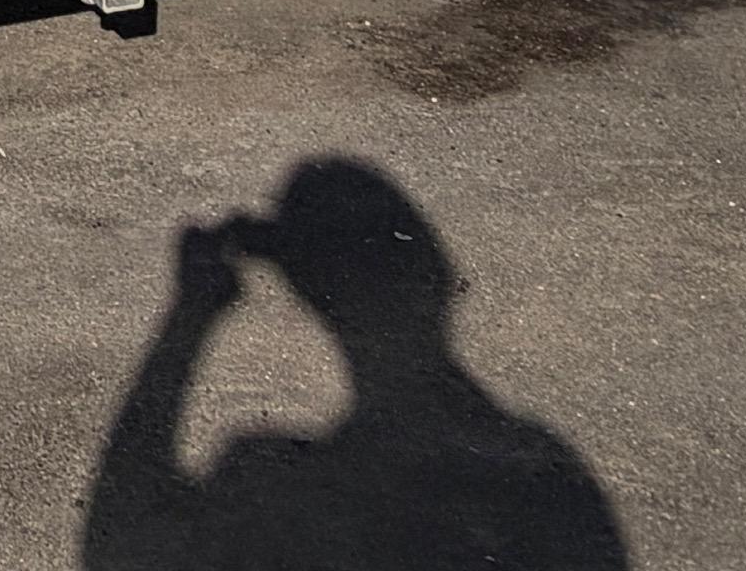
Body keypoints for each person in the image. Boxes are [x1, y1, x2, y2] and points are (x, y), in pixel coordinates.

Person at [83, 156, 624, 570]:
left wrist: (191, 313)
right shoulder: (541, 476)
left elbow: (118, 537)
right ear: (438, 282)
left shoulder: (279, 493)